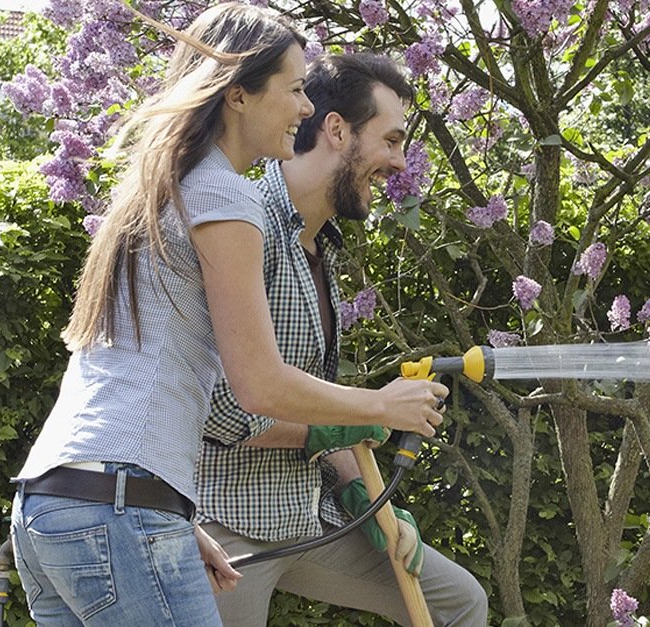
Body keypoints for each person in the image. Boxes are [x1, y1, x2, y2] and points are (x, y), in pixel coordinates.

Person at [9, 6, 449, 625]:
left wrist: (174, 517)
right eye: (295, 89)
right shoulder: (226, 194)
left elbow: (129, 383)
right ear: (239, 94)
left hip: (53, 507)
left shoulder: (163, 187)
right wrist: (379, 406)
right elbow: (257, 385)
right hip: (118, 508)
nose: (304, 109)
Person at [196, 53, 488, 626]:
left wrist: (372, 500)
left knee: (458, 604)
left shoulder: (318, 246)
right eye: (392, 140)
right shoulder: (248, 225)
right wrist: (357, 416)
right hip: (224, 528)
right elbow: (223, 412)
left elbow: (312, 402)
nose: (400, 164)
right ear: (335, 130)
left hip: (304, 515)